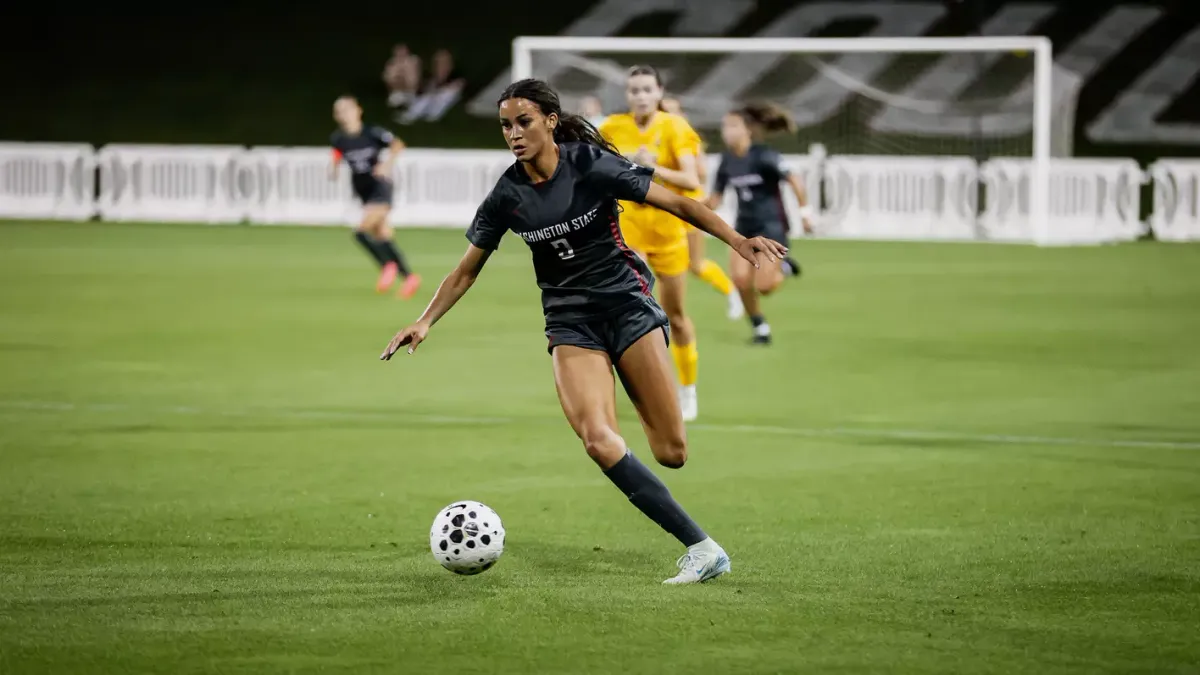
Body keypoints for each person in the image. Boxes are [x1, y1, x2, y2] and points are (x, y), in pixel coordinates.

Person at [379, 78, 787, 584]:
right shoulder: (507, 194)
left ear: (551, 121)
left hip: (628, 309)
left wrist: (738, 240)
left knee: (671, 453)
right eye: (505, 125)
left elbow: (678, 203)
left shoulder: (589, 165)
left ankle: (645, 413)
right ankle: (702, 548)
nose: (514, 133)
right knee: (598, 439)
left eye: (524, 121)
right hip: (570, 323)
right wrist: (424, 320)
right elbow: (466, 270)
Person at [598, 66, 707, 421]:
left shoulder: (675, 127)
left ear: (659, 92)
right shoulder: (613, 127)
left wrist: (651, 167)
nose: (641, 96)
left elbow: (691, 179)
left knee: (674, 315)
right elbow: (590, 164)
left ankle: (687, 389)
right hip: (628, 229)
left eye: (647, 89)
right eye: (634, 90)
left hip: (668, 231)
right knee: (631, 309)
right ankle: (640, 388)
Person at [707, 102, 814, 345]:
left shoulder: (765, 156)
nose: (727, 132)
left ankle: (784, 267)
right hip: (743, 229)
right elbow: (714, 199)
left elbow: (794, 180)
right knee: (740, 281)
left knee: (764, 286)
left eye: (733, 126)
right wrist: (684, 207)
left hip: (771, 228)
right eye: (725, 127)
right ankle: (760, 328)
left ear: (748, 129)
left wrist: (805, 213)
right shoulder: (727, 161)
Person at [660, 97, 744, 321]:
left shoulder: (686, 137)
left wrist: (667, 169)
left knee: (695, 265)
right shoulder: (655, 135)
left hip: (687, 207)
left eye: (671, 110)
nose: (666, 115)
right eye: (663, 110)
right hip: (663, 208)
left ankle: (732, 292)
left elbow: (701, 173)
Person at [329, 95, 422, 298]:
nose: (344, 115)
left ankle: (387, 265)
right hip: (363, 192)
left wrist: (386, 165)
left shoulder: (372, 132)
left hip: (380, 188)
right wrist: (333, 168)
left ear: (358, 111)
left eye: (348, 109)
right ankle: (409, 277)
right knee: (382, 236)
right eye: (340, 111)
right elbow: (336, 154)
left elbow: (398, 145)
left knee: (361, 232)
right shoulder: (338, 139)